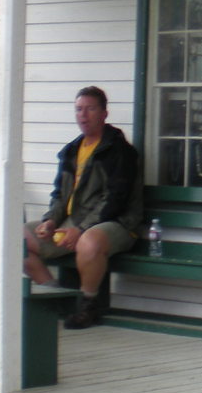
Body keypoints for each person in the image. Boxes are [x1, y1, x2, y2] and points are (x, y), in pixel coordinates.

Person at [24, 86, 141, 330]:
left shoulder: (119, 151)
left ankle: (88, 303)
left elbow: (115, 200)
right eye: (79, 109)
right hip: (72, 222)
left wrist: (81, 228)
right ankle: (55, 296)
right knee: (17, 238)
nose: (83, 115)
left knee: (89, 241)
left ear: (104, 114)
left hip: (117, 223)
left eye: (90, 109)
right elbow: (59, 195)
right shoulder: (71, 151)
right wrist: (50, 221)